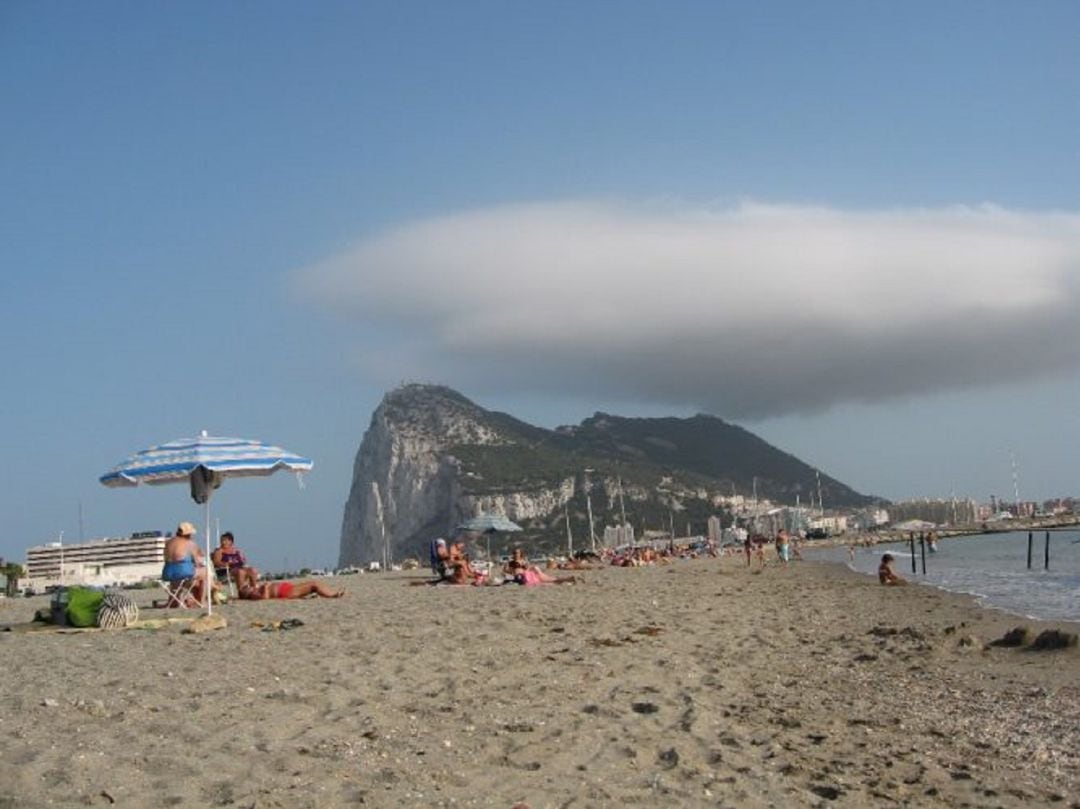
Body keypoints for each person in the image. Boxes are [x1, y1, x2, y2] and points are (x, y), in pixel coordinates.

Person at [162, 521, 218, 605]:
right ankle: (202, 601)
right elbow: (198, 562)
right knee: (205, 572)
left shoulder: (168, 542)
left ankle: (173, 600)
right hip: (183, 572)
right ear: (188, 534)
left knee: (178, 576)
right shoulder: (190, 544)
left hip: (167, 573)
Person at [239, 579, 345, 599]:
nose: (249, 586)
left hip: (287, 589)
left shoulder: (254, 591)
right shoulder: (253, 595)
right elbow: (265, 597)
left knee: (313, 585)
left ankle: (332, 593)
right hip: (286, 592)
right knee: (314, 584)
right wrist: (266, 587)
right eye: (246, 588)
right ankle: (332, 595)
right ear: (246, 593)